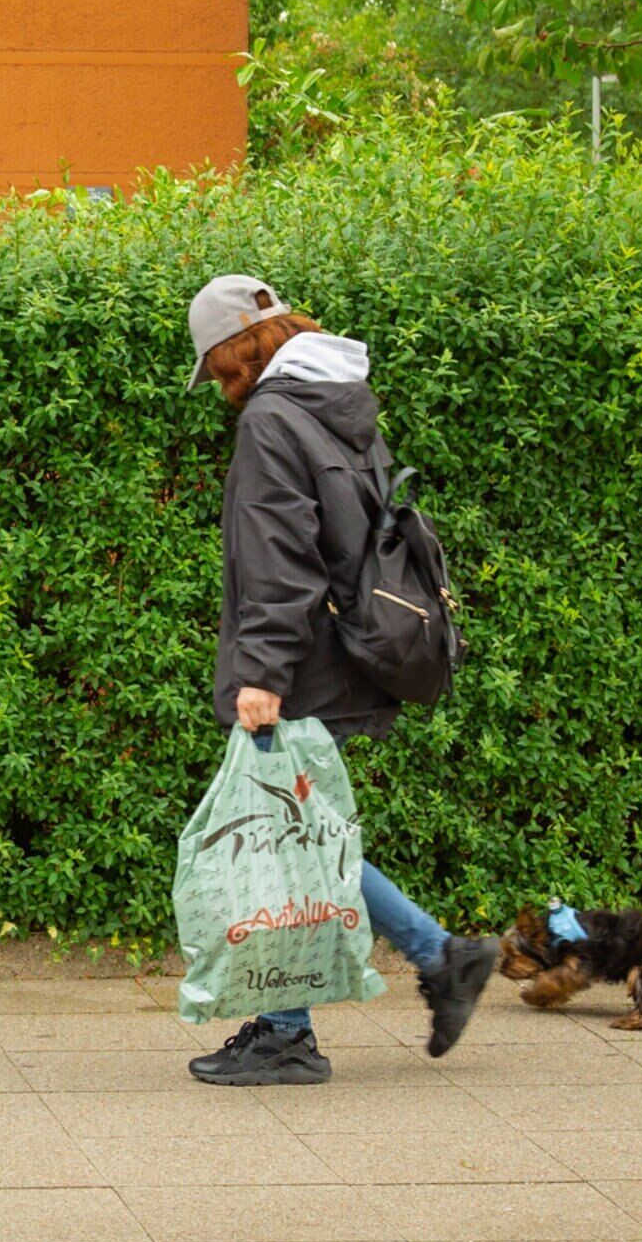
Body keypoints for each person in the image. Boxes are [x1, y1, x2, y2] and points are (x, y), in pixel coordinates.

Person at [179, 273, 500, 1088]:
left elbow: (280, 559)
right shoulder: (342, 404)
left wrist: (260, 673)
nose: (218, 382)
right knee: (303, 835)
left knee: (289, 837)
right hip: (342, 649)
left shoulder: (273, 420)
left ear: (234, 348)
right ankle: (433, 959)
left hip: (299, 666)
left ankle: (297, 1029)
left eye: (215, 364)